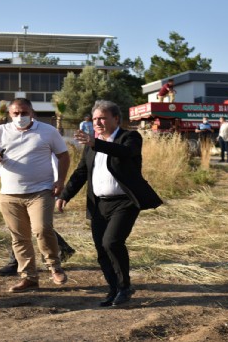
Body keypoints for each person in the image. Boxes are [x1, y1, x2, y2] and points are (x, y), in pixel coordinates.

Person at [56, 100, 163, 307]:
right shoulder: (92, 145)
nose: (98, 122)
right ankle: (113, 288)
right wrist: (65, 196)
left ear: (116, 118)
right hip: (98, 204)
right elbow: (80, 173)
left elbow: (125, 153)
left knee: (112, 242)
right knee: (102, 250)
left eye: (102, 117)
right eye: (95, 118)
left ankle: (125, 287)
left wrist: (96, 143)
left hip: (124, 202)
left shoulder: (129, 137)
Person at [0, 98, 70, 292]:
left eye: (24, 113)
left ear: (32, 113)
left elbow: (63, 155)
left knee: (43, 229)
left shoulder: (48, 131)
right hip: (10, 195)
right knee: (19, 237)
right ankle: (29, 277)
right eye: (16, 113)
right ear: (10, 114)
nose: (20, 117)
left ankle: (55, 267)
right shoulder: (0, 131)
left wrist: (60, 180)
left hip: (41, 191)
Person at [0, 156, 76, 276]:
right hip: (16, 192)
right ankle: (63, 249)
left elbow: (56, 164)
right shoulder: (11, 141)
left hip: (41, 191)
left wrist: (56, 185)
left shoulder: (45, 141)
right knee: (27, 226)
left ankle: (17, 263)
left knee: (36, 227)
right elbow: (6, 164)